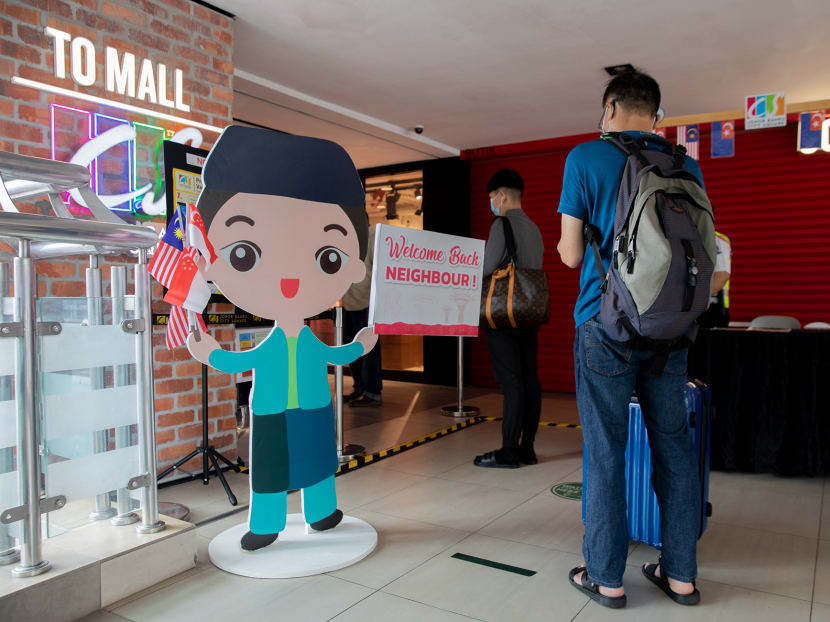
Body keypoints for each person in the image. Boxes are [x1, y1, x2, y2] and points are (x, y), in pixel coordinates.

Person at [186, 126, 378, 552]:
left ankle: (321, 512)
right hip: (272, 411)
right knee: (270, 469)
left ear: (355, 265)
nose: (290, 278)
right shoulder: (274, 342)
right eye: (244, 253)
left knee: (318, 462)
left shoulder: (308, 340)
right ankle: (266, 524)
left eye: (329, 258)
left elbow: (334, 354)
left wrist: (360, 346)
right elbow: (243, 361)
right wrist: (212, 353)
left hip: (314, 405)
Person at [557, 70, 703, 608]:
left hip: (606, 324)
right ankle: (681, 575)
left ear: (610, 108)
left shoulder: (585, 158)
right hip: (671, 328)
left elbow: (571, 254)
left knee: (606, 450)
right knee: (674, 447)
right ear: (657, 115)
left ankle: (606, 577)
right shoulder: (686, 164)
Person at [474, 169, 544, 469]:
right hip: (529, 313)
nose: (492, 203)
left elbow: (486, 267)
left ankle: (508, 451)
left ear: (502, 195)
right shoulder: (534, 228)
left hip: (503, 317)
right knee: (530, 380)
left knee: (511, 383)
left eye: (492, 197)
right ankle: (527, 448)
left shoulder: (501, 224)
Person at [342, 223, 383, 406]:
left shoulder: (373, 238)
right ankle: (359, 386)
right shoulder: (348, 239)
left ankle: (372, 392)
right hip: (348, 301)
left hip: (366, 302)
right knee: (352, 346)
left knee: (370, 348)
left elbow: (378, 271)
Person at [698, 231, 731, 328]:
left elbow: (722, 275)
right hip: (696, 306)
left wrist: (694, 302)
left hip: (714, 306)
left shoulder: (715, 239)